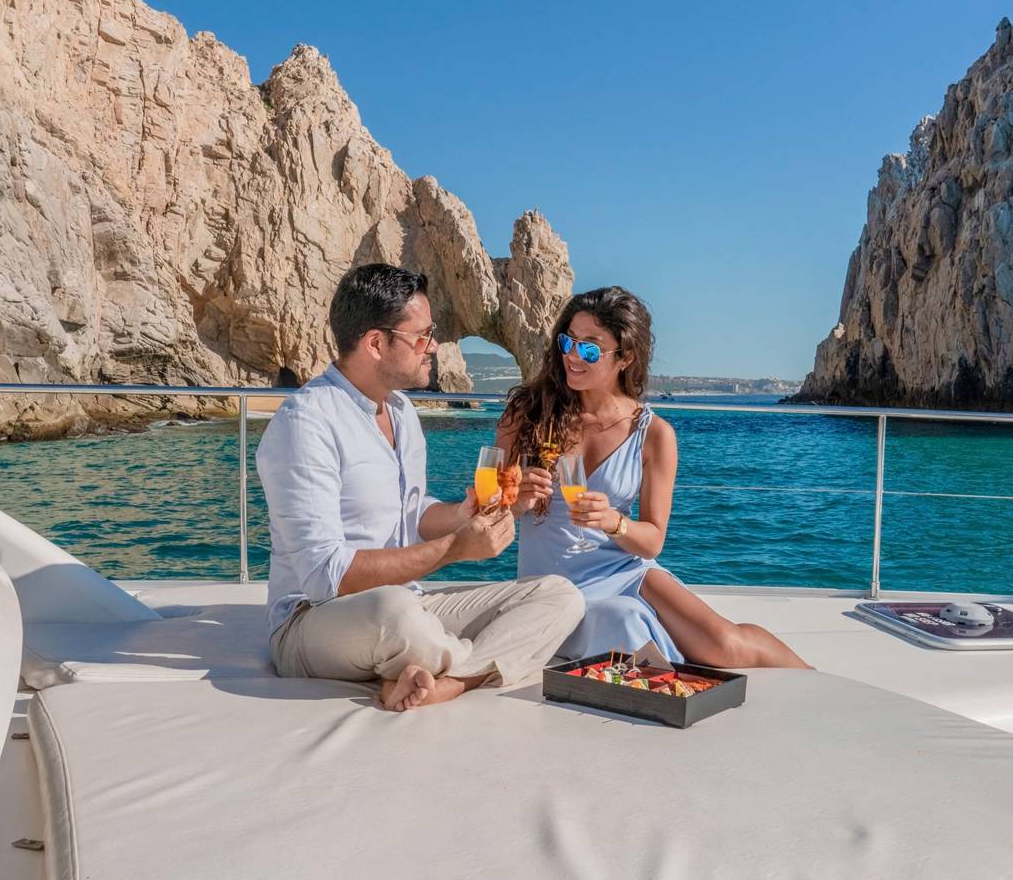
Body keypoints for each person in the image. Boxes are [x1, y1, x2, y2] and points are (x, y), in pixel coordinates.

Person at [257, 263, 585, 711]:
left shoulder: (402, 413)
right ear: (376, 343)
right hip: (312, 620)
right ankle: (465, 662)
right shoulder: (307, 423)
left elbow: (412, 513)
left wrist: (469, 512)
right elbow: (324, 578)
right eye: (422, 336)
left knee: (559, 596)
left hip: (409, 604)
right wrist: (455, 548)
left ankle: (439, 680)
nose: (433, 347)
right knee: (395, 615)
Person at [498, 285, 810, 670]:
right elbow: (490, 514)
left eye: (590, 348)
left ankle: (821, 690)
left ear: (625, 357)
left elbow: (651, 542)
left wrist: (614, 522)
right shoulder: (526, 415)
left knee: (727, 645)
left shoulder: (654, 435)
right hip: (553, 588)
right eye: (568, 341)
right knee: (625, 622)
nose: (573, 357)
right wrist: (516, 503)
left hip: (626, 571)